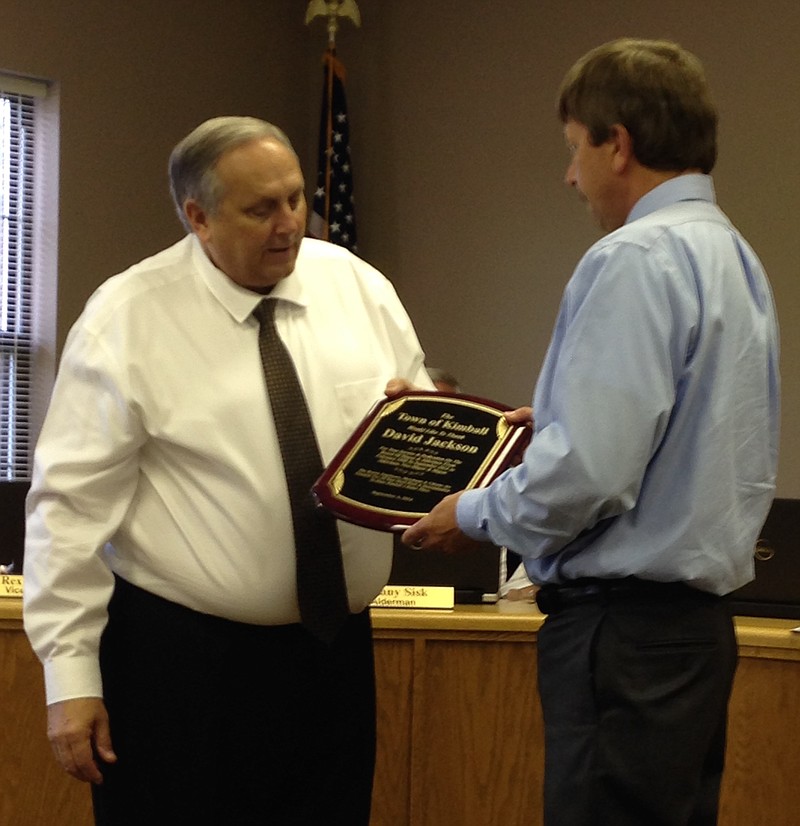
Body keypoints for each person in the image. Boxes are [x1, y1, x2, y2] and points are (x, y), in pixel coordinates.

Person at [403, 38, 780, 825]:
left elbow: (593, 477)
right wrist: (566, 419)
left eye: (576, 149)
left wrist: (469, 514)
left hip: (623, 639)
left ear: (621, 144)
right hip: (695, 637)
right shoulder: (731, 254)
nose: (570, 175)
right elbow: (697, 424)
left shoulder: (633, 258)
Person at [23, 116, 433, 825]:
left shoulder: (357, 288)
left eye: (297, 199)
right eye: (261, 209)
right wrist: (71, 677)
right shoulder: (128, 318)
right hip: (179, 661)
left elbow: (419, 414)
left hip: (332, 654)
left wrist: (434, 453)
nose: (289, 225)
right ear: (198, 218)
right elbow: (67, 512)